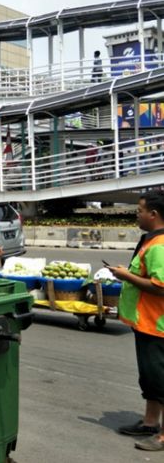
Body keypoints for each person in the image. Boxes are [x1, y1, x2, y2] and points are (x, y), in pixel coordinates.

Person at [109, 191, 164, 451]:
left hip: (157, 325)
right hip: (146, 323)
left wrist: (125, 276)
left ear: (153, 214)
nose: (137, 214)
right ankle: (150, 422)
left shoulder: (160, 244)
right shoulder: (151, 240)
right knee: (151, 380)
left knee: (160, 381)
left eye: (140, 210)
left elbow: (160, 286)